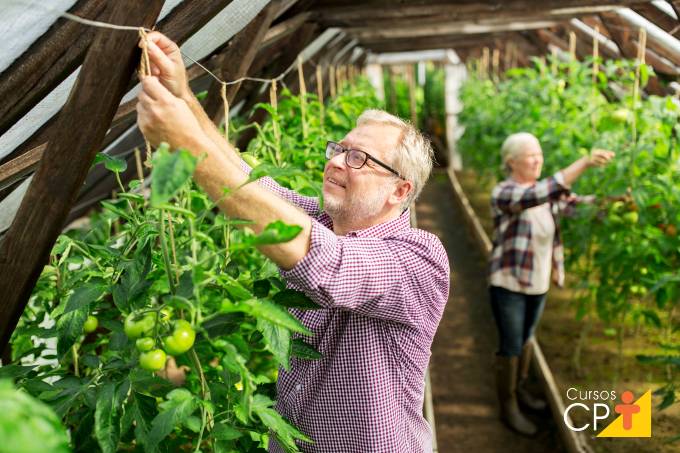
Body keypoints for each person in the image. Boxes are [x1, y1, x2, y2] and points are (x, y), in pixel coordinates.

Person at [135, 32, 450, 452]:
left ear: (399, 190)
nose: (336, 161)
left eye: (358, 158)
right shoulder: (322, 220)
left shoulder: (418, 260)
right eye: (339, 149)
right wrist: (184, 96)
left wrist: (185, 144)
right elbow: (249, 182)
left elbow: (328, 265)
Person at [488, 132, 614, 435]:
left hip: (538, 283)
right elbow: (543, 192)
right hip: (509, 284)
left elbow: (578, 206)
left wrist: (616, 204)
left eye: (539, 154)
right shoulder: (505, 193)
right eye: (531, 155)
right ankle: (508, 407)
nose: (538, 159)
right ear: (511, 162)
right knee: (511, 344)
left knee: (527, 338)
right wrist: (583, 163)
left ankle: (520, 392)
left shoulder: (547, 194)